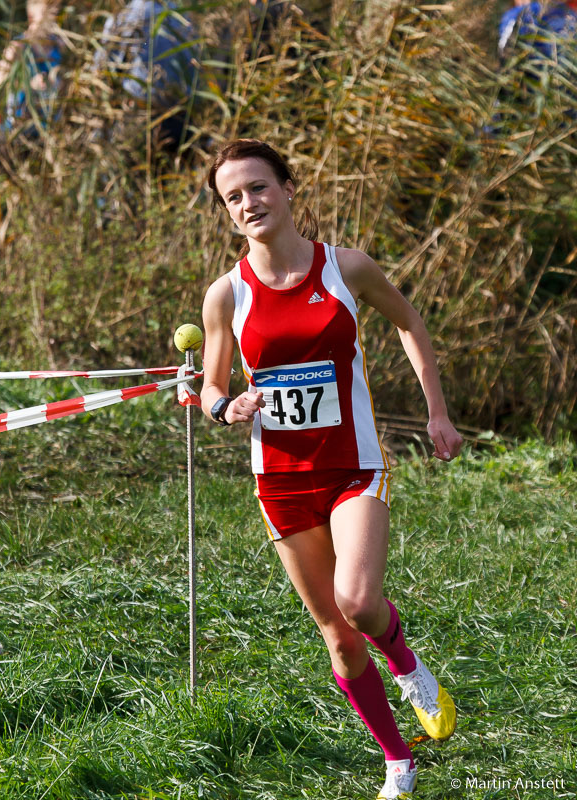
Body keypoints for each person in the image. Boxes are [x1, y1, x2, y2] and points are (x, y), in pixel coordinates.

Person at [201, 138, 463, 800]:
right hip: (280, 481)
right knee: (340, 639)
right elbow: (211, 388)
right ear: (227, 211)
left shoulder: (346, 267)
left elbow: (410, 322)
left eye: (258, 187)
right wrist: (228, 408)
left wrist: (436, 413)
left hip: (353, 466)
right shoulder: (226, 295)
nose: (248, 202)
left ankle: (407, 665)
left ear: (288, 188)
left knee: (359, 602)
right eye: (233, 197)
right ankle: (397, 761)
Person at [93, 0, 198, 150]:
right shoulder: (182, 16)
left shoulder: (121, 19)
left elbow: (101, 69)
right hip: (181, 112)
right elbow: (195, 65)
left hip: (137, 112)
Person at [0, 0, 65, 136]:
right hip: (19, 129)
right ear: (31, 16)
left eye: (54, 12)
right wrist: (29, 85)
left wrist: (59, 83)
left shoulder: (59, 45)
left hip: (51, 130)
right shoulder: (17, 47)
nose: (52, 18)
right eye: (47, 13)